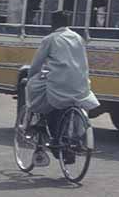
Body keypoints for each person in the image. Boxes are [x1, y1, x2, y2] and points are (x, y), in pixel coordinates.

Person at [26, 10, 99, 166]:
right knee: (64, 106)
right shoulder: (78, 38)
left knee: (34, 87)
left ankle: (39, 124)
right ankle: (69, 140)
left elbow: (37, 64)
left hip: (59, 84)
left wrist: (30, 77)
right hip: (80, 84)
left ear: (53, 23)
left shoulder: (50, 39)